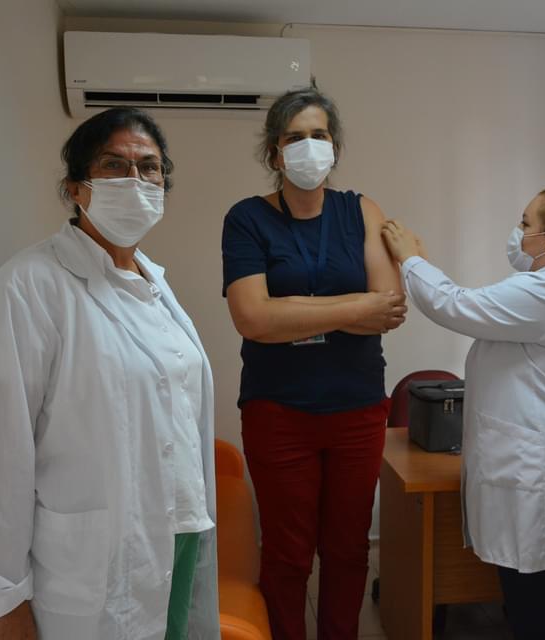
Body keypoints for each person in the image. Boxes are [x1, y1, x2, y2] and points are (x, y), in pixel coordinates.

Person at [0, 107, 219, 640]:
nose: (135, 180)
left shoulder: (153, 284)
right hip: (91, 564)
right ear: (77, 188)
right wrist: (1, 601)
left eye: (149, 167)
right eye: (114, 165)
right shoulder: (26, 289)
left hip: (179, 532)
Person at [381, 187, 545, 640]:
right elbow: (470, 307)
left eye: (526, 224)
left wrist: (409, 259)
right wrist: (420, 267)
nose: (518, 232)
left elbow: (455, 304)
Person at [220, 86, 406, 640]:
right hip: (279, 412)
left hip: (358, 410)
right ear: (275, 153)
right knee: (287, 553)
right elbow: (253, 318)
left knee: (348, 550)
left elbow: (389, 307)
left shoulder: (362, 210)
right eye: (294, 137)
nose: (308, 146)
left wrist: (293, 311)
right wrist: (354, 307)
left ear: (335, 146)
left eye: (319, 135)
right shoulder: (247, 218)